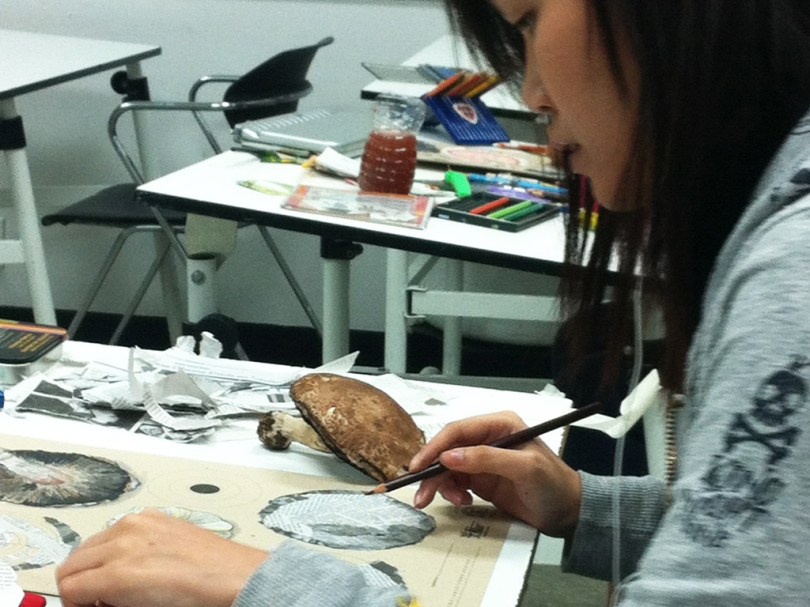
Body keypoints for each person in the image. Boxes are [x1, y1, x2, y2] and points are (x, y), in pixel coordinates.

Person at [56, 1, 810, 605]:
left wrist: (270, 588)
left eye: (528, 23)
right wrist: (586, 505)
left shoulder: (793, 271)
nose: (533, 94)